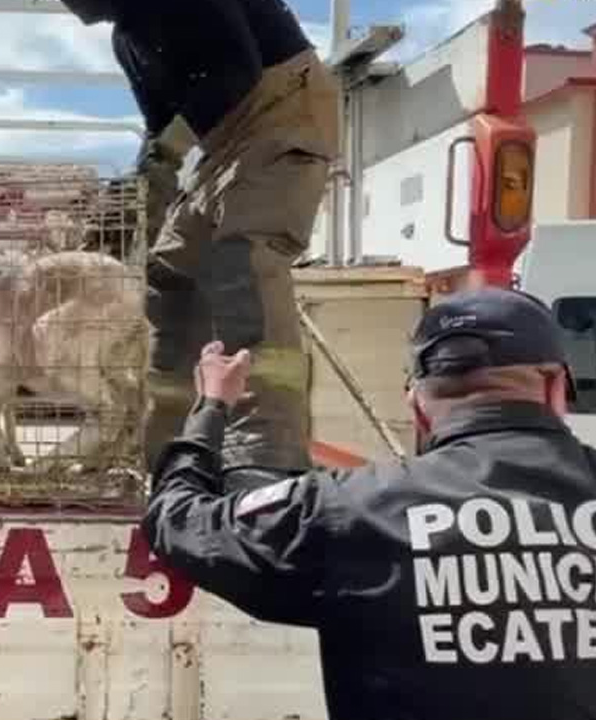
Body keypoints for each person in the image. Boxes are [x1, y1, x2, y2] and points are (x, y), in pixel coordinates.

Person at [143, 286, 596, 720]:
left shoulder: (349, 507)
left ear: (418, 408)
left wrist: (211, 406)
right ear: (556, 387)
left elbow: (178, 519)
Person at [57, 0, 340, 487]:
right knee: (168, 276)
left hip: (283, 114)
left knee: (244, 258)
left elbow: (236, 72)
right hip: (222, 145)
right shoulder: (128, 38)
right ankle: (168, 446)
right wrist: (141, 193)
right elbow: (160, 127)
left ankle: (267, 452)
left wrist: (166, 153)